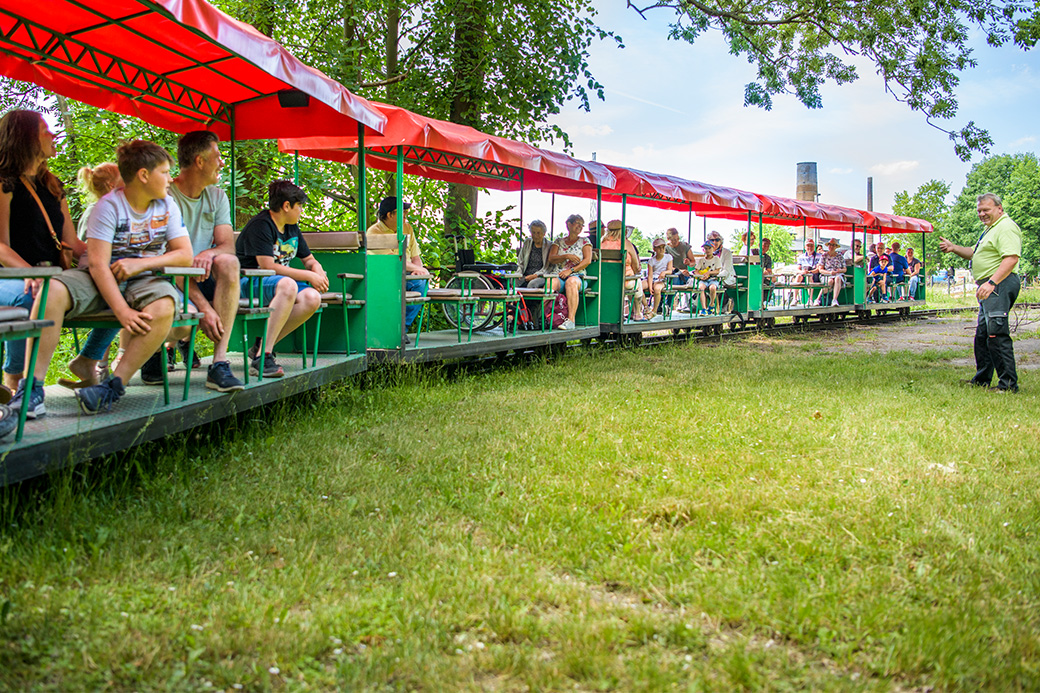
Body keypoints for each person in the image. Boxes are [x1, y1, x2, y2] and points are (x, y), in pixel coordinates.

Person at [14, 140, 192, 416]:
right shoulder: (107, 207)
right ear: (144, 175)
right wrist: (122, 311)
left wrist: (141, 264)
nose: (171, 178)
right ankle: (32, 389)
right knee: (53, 291)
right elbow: (97, 265)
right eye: (166, 172)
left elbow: (184, 255)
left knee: (165, 305)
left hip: (144, 278)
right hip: (98, 276)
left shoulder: (167, 205)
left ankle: (111, 387)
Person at [0, 110, 87, 404]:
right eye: (44, 129)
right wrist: (30, 273)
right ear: (23, 136)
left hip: (51, 278)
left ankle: (90, 359)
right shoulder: (4, 183)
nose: (53, 134)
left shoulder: (53, 184)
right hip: (10, 278)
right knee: (32, 296)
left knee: (112, 287)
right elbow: (0, 247)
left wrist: (110, 258)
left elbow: (73, 243)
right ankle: (15, 380)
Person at [168, 130, 244, 391]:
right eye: (218, 156)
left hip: (202, 274)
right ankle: (157, 352)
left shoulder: (217, 196)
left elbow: (228, 246)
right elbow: (170, 262)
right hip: (170, 277)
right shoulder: (165, 196)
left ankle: (219, 363)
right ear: (200, 161)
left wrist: (207, 254)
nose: (222, 162)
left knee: (229, 263)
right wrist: (204, 308)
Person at [236, 180, 325, 378]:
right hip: (249, 282)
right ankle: (263, 357)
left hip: (279, 284)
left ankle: (262, 345)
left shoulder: (292, 228)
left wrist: (317, 269)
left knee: (312, 298)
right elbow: (267, 267)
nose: (301, 210)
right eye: (299, 206)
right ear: (286, 206)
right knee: (288, 285)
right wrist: (309, 275)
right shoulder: (261, 225)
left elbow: (309, 259)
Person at [939, 192, 1022, 392]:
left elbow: (1011, 258)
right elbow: (974, 252)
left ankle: (1008, 385)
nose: (982, 214)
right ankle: (982, 379)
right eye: (979, 211)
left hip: (998, 284)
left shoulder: (1006, 227)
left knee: (996, 333)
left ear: (999, 208)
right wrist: (953, 248)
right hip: (990, 287)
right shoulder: (990, 230)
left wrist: (992, 282)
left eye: (986, 210)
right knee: (983, 335)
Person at [58, 163, 124, 390]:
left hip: (109, 269)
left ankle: (95, 363)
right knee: (121, 297)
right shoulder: (98, 210)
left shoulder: (116, 208)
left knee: (126, 295)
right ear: (111, 184)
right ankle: (95, 361)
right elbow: (87, 248)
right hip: (96, 271)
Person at [367, 196, 426, 342]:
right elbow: (394, 261)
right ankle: (392, 329)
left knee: (421, 283)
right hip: (385, 277)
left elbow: (415, 256)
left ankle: (400, 329)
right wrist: (419, 270)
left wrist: (418, 271)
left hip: (406, 275)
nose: (405, 215)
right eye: (402, 212)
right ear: (390, 214)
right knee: (419, 283)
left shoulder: (407, 228)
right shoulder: (374, 233)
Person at [546, 213, 592, 330]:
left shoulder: (584, 241)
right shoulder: (559, 241)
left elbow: (587, 260)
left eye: (582, 225)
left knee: (571, 282)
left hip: (578, 277)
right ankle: (542, 316)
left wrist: (570, 270)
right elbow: (551, 258)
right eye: (577, 223)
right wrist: (566, 256)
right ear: (569, 224)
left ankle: (571, 320)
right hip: (559, 275)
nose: (580, 227)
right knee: (550, 283)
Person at [601, 219, 646, 321]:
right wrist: (635, 271)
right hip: (624, 281)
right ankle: (637, 313)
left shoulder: (602, 243)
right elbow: (636, 264)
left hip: (605, 281)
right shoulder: (625, 243)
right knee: (637, 282)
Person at [707, 230, 736, 312]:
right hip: (711, 277)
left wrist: (714, 276)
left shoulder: (727, 253)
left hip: (725, 278)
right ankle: (700, 308)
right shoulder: (708, 253)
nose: (714, 242)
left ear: (721, 241)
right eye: (712, 240)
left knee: (713, 285)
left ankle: (715, 308)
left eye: (717, 240)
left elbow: (726, 271)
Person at [645, 238, 673, 320]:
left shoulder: (668, 257)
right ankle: (646, 307)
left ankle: (654, 311)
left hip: (662, 280)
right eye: (659, 247)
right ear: (654, 249)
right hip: (652, 278)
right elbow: (650, 275)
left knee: (657, 289)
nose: (661, 249)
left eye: (663, 247)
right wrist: (650, 286)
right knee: (638, 286)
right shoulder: (651, 260)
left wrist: (664, 272)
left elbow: (670, 270)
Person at [517, 219, 549, 288]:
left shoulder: (549, 246)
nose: (535, 235)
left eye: (538, 233)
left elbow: (548, 268)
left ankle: (529, 299)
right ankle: (517, 299)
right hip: (526, 275)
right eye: (533, 232)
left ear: (544, 234)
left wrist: (535, 275)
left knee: (532, 284)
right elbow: (521, 261)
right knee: (513, 281)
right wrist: (519, 273)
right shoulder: (527, 242)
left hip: (541, 276)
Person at [693, 241, 722, 314]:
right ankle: (704, 308)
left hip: (713, 279)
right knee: (701, 288)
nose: (707, 250)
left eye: (709, 248)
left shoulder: (716, 259)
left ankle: (711, 304)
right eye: (706, 249)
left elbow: (717, 271)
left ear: (713, 249)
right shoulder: (701, 260)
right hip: (703, 280)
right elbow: (696, 271)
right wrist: (700, 276)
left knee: (712, 288)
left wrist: (709, 273)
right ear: (703, 250)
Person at [815, 238, 846, 306]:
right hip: (826, 275)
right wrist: (829, 273)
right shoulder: (824, 255)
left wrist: (839, 271)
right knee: (830, 282)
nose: (831, 247)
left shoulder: (840, 256)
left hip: (838, 274)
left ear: (836, 247)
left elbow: (844, 269)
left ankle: (834, 300)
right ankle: (817, 299)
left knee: (837, 278)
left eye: (833, 245)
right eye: (830, 245)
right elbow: (821, 269)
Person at [761, 237, 775, 305]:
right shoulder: (753, 252)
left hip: (762, 277)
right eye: (764, 245)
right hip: (753, 276)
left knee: (771, 285)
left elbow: (769, 271)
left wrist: (767, 273)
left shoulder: (768, 258)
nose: (766, 247)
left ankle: (763, 302)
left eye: (768, 246)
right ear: (759, 245)